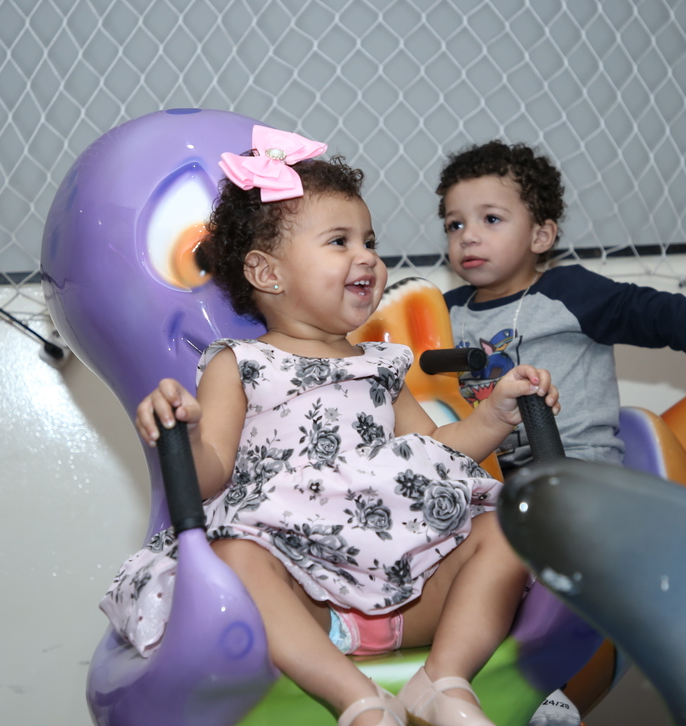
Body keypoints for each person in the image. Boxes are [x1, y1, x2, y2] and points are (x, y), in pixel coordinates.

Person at [100, 126, 561, 726]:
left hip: (415, 588)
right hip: (306, 601)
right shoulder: (241, 363)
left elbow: (438, 450)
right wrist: (183, 432)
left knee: (507, 526)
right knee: (235, 557)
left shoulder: (382, 365)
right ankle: (358, 701)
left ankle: (443, 679)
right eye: (339, 241)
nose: (366, 256)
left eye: (369, 240)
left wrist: (495, 413)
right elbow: (209, 471)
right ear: (267, 273)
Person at [434, 140, 686, 725]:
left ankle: (551, 693)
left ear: (541, 234)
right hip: (485, 487)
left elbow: (662, 315)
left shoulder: (569, 295)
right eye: (455, 224)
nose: (468, 237)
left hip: (576, 476)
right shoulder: (443, 312)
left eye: (491, 219)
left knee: (566, 568)